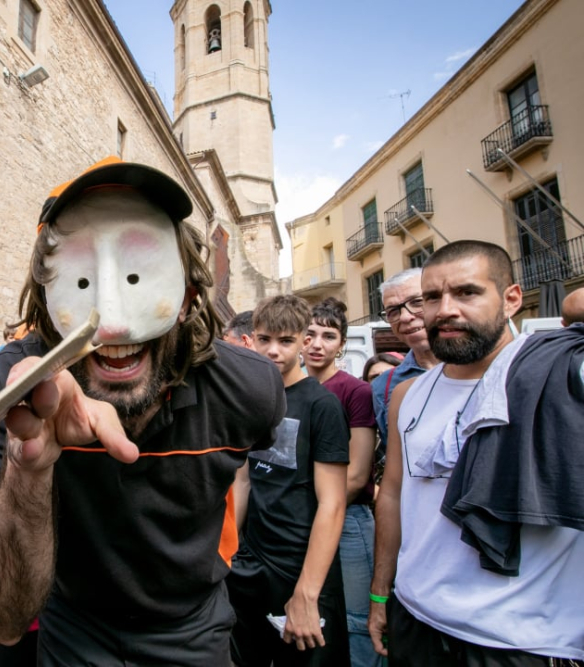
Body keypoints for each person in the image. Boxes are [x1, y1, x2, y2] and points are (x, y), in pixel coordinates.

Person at [0, 157, 286, 664]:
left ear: (187, 296)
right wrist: (31, 468)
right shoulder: (11, 389)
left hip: (194, 630)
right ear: (47, 304)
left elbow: (239, 478)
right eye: (82, 283)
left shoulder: (248, 387)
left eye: (137, 273)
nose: (110, 324)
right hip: (72, 629)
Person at [369, 240, 584, 665]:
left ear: (511, 299)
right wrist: (380, 593)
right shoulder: (406, 395)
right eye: (432, 297)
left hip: (520, 640)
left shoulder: (560, 373)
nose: (444, 309)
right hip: (416, 621)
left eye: (467, 292)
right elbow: (392, 494)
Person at [227, 295, 349, 667]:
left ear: (303, 342)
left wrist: (307, 594)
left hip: (302, 565)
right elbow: (243, 482)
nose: (273, 351)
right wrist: (228, 553)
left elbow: (333, 503)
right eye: (264, 340)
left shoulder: (321, 405)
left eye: (285, 341)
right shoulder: (254, 402)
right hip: (251, 563)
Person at [303, 297, 377, 667]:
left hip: (347, 520)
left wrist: (315, 513)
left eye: (328, 336)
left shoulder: (355, 391)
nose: (317, 344)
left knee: (356, 622)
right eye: (310, 333)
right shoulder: (286, 389)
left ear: (342, 344)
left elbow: (359, 474)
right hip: (303, 521)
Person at [370, 268, 440, 445]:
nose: (405, 317)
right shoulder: (383, 387)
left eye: (416, 302)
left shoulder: (480, 367)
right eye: (393, 311)